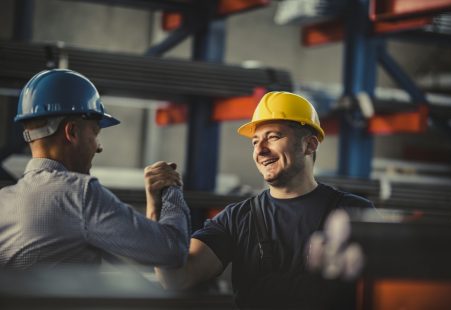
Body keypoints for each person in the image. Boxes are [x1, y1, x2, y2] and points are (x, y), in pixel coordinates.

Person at [155, 91, 374, 308]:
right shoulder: (236, 218)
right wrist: (158, 208)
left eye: (273, 137)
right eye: (255, 141)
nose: (260, 150)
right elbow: (176, 278)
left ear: (310, 145)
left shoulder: (355, 213)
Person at [0, 69, 190, 270]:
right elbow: (173, 250)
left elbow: (141, 255)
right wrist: (171, 189)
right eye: (95, 133)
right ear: (72, 132)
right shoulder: (79, 194)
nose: (99, 147)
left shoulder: (4, 201)